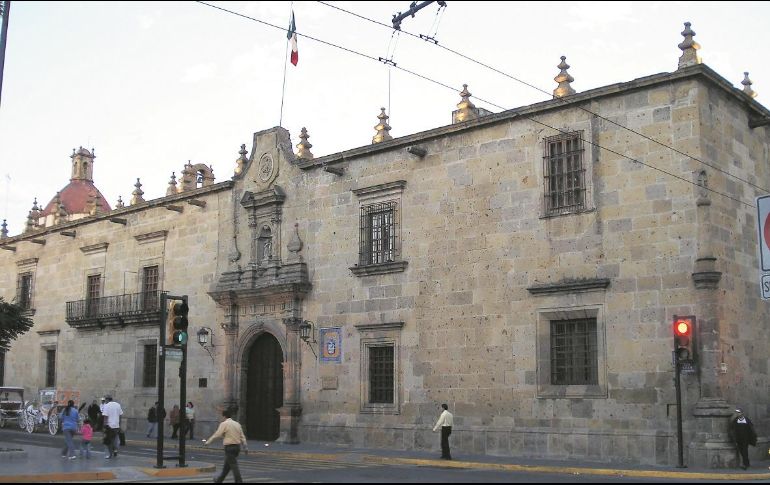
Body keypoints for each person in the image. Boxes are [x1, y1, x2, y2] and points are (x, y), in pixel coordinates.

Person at [203, 408, 248, 483]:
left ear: (224, 416)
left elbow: (217, 434)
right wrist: (245, 447)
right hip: (237, 447)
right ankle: (219, 480)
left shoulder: (224, 424)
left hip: (229, 447)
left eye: (222, 416)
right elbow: (242, 436)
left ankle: (239, 481)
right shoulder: (237, 424)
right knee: (227, 467)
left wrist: (208, 442)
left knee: (233, 465)